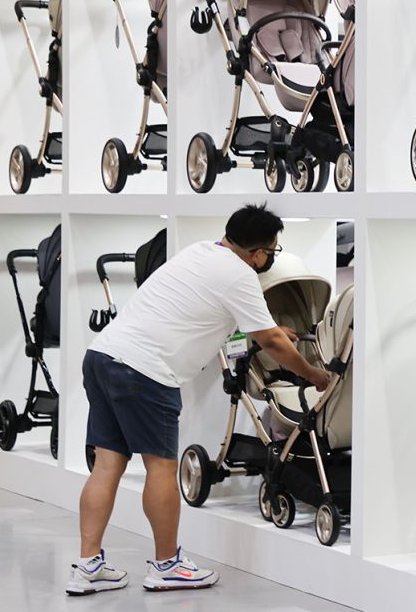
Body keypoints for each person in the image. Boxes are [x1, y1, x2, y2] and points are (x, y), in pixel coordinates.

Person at [66, 204, 332, 596]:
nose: (271, 258)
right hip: (145, 372)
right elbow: (271, 343)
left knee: (106, 466)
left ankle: (88, 566)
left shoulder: (199, 252)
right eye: (272, 251)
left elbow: (226, 324)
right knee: (160, 467)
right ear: (258, 253)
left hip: (103, 356)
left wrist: (273, 330)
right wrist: (314, 376)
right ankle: (166, 565)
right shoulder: (241, 276)